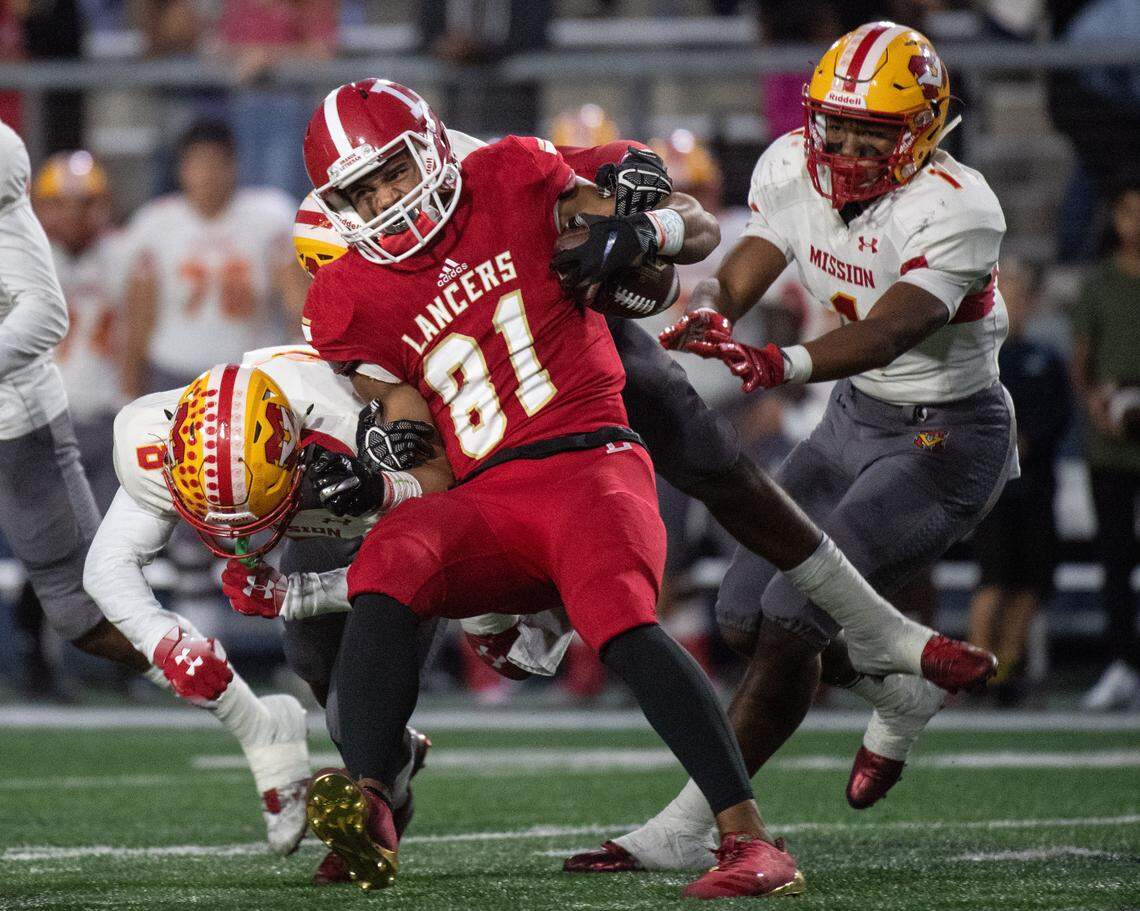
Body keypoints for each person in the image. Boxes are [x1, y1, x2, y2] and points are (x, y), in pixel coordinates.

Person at [299, 77, 810, 899]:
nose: (388, 199)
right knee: (389, 557)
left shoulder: (511, 173)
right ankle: (371, 802)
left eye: (394, 172)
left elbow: (694, 227)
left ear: (431, 146)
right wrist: (381, 462)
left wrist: (648, 225)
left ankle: (748, 836)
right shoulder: (345, 296)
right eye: (362, 190)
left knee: (618, 617)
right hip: (485, 493)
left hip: (588, 459)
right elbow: (408, 422)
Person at [573, 21, 1016, 872]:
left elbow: (894, 329)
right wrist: (714, 308)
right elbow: (757, 253)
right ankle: (901, 680)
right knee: (742, 612)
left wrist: (782, 362)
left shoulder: (960, 204)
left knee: (790, 617)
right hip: (852, 419)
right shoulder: (788, 164)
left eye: (871, 133)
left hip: (945, 434)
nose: (845, 147)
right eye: (837, 126)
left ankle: (693, 822)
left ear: (922, 132)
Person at [0, 121, 152, 692]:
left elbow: (138, 331)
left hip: (105, 419)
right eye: (61, 204)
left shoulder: (124, 254)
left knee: (115, 554)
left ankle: (129, 670)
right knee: (47, 557)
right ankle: (40, 663)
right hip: (35, 422)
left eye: (87, 203)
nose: (75, 216)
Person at [120, 119, 307, 399]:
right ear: (181, 169)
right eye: (197, 164)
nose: (207, 175)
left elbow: (298, 301)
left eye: (215, 163)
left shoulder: (270, 215)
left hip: (250, 372)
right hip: (174, 371)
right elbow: (138, 317)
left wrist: (299, 363)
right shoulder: (154, 223)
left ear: (234, 166)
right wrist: (131, 392)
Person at [968, 258, 1072, 705]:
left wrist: (1028, 439)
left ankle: (1007, 667)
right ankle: (971, 667)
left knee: (1031, 582)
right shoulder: (975, 359)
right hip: (992, 490)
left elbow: (1060, 415)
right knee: (992, 579)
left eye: (1020, 293)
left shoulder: (1045, 360)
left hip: (1036, 486)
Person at [1072, 176, 1140, 711]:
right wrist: (1098, 404)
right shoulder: (1098, 284)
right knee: (1115, 558)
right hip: (1112, 446)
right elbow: (1081, 363)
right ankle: (1121, 664)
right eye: (1127, 211)